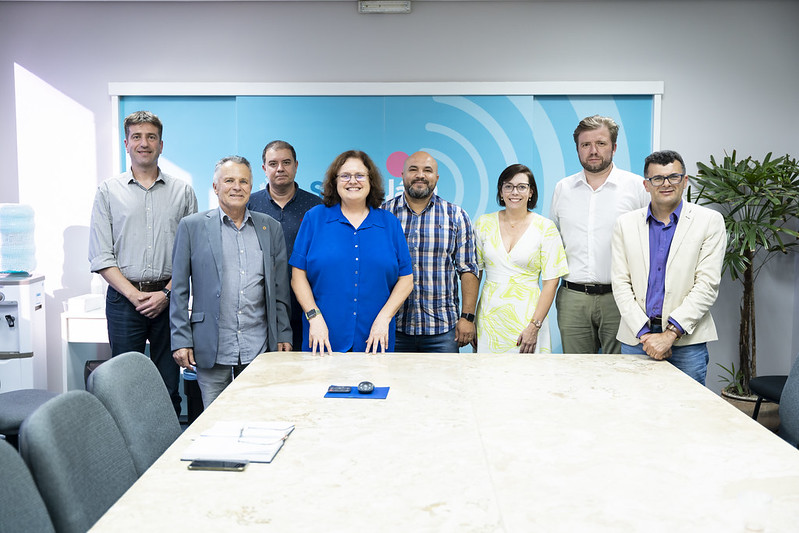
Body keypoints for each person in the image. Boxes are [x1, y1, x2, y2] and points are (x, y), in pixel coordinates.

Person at [89, 110, 197, 415]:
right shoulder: (108, 191)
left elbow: (192, 254)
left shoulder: (182, 192)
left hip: (170, 300)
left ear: (161, 145)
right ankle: (130, 445)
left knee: (168, 385)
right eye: (136, 137)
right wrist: (134, 295)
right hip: (124, 301)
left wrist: (165, 294)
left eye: (151, 137)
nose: (144, 143)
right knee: (124, 385)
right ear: (126, 144)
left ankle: (169, 442)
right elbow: (101, 254)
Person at [170, 156, 292, 407]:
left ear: (251, 187)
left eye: (243, 181)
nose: (237, 187)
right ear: (215, 187)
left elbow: (279, 289)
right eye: (229, 181)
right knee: (216, 419)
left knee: (257, 415)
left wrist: (283, 333)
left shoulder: (270, 227)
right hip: (212, 346)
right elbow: (179, 290)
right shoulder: (192, 227)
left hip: (259, 345)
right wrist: (181, 339)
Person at [611, 150, 726, 384]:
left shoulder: (709, 222)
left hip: (687, 342)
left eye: (673, 177)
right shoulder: (625, 224)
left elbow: (707, 285)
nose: (666, 184)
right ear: (646, 185)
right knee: (634, 403)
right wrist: (645, 335)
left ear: (685, 181)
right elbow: (620, 283)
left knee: (687, 405)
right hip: (636, 339)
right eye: (657, 178)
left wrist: (670, 334)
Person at [290, 150, 413, 355]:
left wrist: (384, 318)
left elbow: (406, 279)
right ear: (335, 181)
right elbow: (298, 276)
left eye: (360, 175)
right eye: (345, 175)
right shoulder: (314, 219)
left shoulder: (389, 223)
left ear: (371, 181)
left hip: (375, 340)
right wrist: (314, 317)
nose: (352, 181)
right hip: (322, 339)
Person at [550, 115, 649, 354]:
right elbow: (555, 240)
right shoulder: (563, 188)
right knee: (576, 371)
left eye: (601, 143)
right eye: (586, 144)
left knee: (621, 370)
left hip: (621, 298)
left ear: (614, 147)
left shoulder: (637, 187)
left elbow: (650, 239)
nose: (593, 151)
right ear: (577, 149)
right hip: (573, 298)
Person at [382, 151, 479, 353]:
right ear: (402, 175)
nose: (420, 175)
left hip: (443, 330)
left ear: (436, 177)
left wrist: (467, 317)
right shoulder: (383, 215)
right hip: (393, 327)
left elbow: (468, 269)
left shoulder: (456, 216)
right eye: (413, 169)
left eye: (427, 170)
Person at [474, 164, 568, 353]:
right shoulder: (483, 224)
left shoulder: (546, 228)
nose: (514, 192)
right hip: (489, 318)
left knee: (528, 371)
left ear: (531, 192)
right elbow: (476, 275)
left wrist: (534, 326)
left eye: (521, 187)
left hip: (528, 319)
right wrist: (471, 318)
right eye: (508, 186)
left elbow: (551, 283)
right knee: (486, 371)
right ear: (501, 191)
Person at [247, 140, 322, 350]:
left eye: (286, 162)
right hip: (261, 308)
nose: (280, 168)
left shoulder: (316, 207)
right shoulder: (249, 205)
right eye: (273, 164)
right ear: (264, 168)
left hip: (307, 306)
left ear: (296, 166)